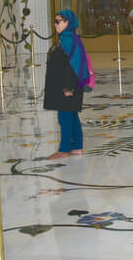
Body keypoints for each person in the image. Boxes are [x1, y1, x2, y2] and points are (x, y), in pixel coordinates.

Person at [43, 9, 92, 159]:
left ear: (68, 23)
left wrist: (69, 87)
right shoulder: (65, 38)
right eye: (55, 21)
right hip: (64, 84)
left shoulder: (69, 40)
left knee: (64, 117)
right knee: (71, 115)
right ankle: (77, 147)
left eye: (58, 21)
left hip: (68, 86)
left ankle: (63, 150)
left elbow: (74, 66)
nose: (55, 24)